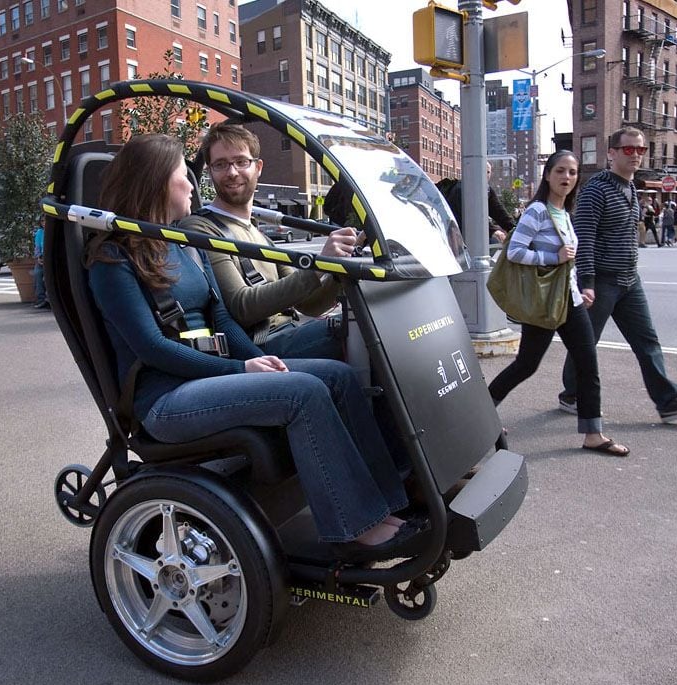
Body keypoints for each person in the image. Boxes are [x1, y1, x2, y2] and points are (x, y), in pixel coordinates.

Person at [85, 134, 421, 561]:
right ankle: (357, 524)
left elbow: (222, 317)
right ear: (155, 184)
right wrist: (242, 371)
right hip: (166, 400)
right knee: (302, 392)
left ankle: (388, 500)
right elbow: (152, 348)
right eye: (182, 176)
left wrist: (257, 359)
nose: (192, 185)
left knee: (335, 376)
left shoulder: (184, 245)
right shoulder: (112, 260)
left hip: (208, 379)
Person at [557, 127, 677, 424]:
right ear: (612, 153)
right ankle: (571, 394)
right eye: (629, 149)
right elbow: (584, 238)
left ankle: (668, 402)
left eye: (641, 150)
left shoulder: (630, 187)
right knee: (585, 343)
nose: (636, 155)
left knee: (647, 342)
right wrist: (587, 283)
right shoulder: (596, 189)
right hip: (601, 281)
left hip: (630, 280)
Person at [488, 151, 628, 456]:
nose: (567, 177)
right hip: (545, 302)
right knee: (527, 365)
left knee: (587, 364)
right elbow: (514, 253)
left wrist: (581, 288)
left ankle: (593, 433)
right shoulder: (537, 211)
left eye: (573, 172)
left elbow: (569, 263)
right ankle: (484, 413)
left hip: (570, 301)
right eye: (561, 171)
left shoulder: (566, 213)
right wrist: (553, 257)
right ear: (548, 175)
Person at [180, 123, 357, 360]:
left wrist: (337, 271)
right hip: (260, 348)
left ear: (258, 167)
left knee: (367, 323)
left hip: (291, 333)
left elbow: (308, 305)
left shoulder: (259, 233)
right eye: (221, 164)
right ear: (210, 171)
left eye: (241, 161)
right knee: (361, 332)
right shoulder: (200, 227)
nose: (232, 172)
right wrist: (319, 264)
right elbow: (242, 307)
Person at [33, 218, 49, 309]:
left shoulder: (52, 231)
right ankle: (41, 299)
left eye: (45, 220)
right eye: (42, 221)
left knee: (48, 276)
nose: (44, 223)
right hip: (42, 258)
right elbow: (37, 247)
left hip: (51, 258)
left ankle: (51, 299)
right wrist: (38, 257)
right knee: (37, 273)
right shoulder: (39, 232)